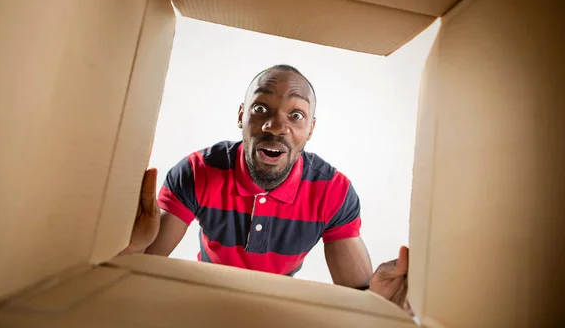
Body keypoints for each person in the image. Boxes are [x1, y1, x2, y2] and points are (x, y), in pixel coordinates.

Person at [122, 64, 410, 311]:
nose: (275, 126)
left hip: (278, 310)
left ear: (311, 128)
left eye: (295, 115)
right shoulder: (198, 171)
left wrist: (377, 301)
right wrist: (131, 247)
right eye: (261, 109)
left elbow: (357, 300)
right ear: (241, 116)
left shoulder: (332, 191)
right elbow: (134, 275)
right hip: (203, 300)